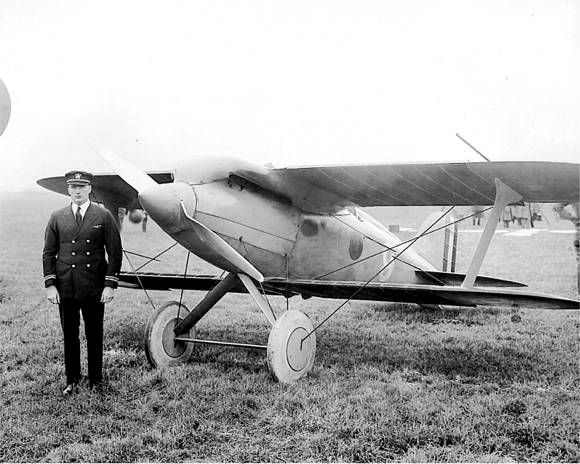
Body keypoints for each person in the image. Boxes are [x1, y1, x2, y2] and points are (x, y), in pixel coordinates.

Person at [42, 170, 122, 395]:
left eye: (82, 186)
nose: (77, 191)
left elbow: (114, 252)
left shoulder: (103, 216)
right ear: (68, 190)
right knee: (70, 334)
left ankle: (96, 380)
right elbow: (48, 253)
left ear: (89, 189)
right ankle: (72, 380)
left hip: (94, 286)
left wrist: (109, 285)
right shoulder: (57, 217)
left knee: (94, 334)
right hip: (66, 286)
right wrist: (50, 285)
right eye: (73, 187)